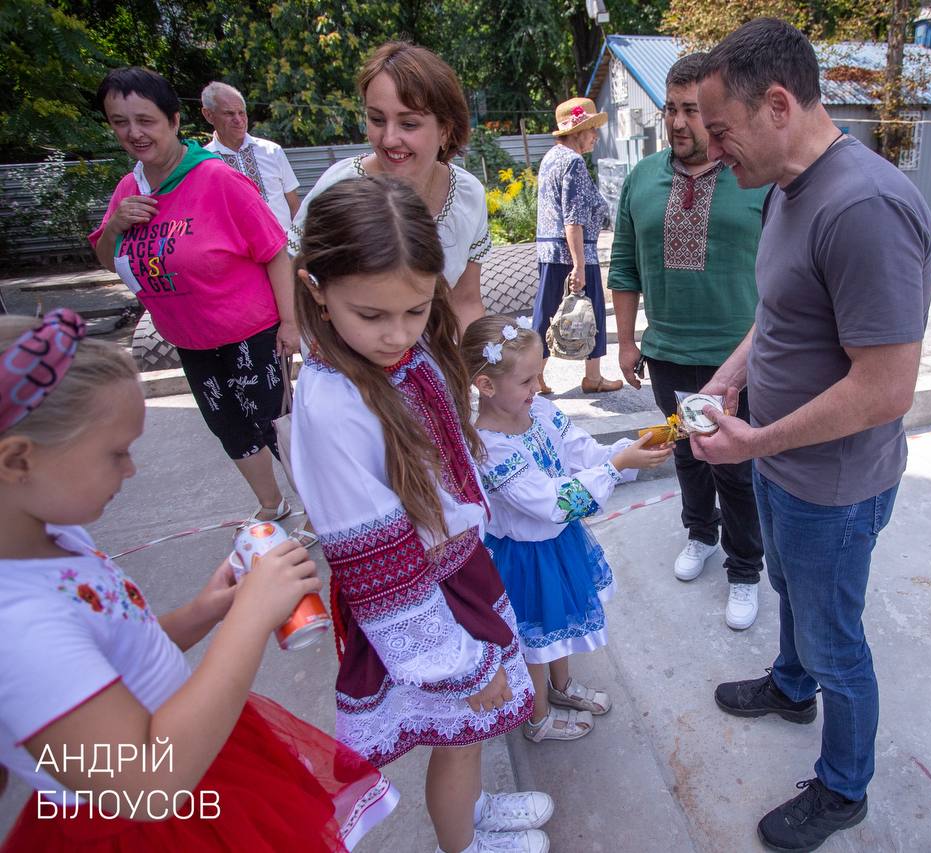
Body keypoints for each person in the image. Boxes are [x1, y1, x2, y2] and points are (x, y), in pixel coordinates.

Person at [0, 309, 396, 851]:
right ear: (18, 460)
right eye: (116, 453)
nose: (131, 470)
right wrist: (254, 618)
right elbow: (145, 783)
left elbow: (119, 657)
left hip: (197, 760)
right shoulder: (17, 627)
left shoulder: (53, 537)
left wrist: (207, 611)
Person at [690, 19, 931, 852]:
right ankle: (790, 687)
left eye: (721, 130)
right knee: (793, 591)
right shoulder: (790, 190)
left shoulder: (864, 205)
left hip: (834, 484)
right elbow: (781, 314)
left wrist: (755, 442)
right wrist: (731, 378)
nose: (714, 149)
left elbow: (885, 387)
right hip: (782, 461)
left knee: (838, 638)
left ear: (780, 106)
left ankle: (843, 786)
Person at [288, 177, 552, 853]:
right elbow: (380, 574)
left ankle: (472, 810)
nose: (397, 333)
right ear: (316, 288)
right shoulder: (331, 406)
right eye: (371, 315)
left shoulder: (409, 355)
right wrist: (461, 663)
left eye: (415, 308)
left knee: (470, 732)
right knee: (460, 731)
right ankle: (463, 843)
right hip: (418, 602)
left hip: (452, 569)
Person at [88, 67, 310, 541]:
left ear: (173, 120)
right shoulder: (130, 189)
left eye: (145, 120)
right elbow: (110, 261)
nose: (134, 133)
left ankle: (318, 507)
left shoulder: (216, 179)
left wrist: (290, 323)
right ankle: (271, 503)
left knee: (275, 424)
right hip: (189, 339)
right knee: (227, 425)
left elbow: (274, 251)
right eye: (120, 122)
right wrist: (114, 227)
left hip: (251, 332)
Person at [609, 52, 767, 630]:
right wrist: (626, 342)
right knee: (686, 453)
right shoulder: (641, 180)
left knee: (736, 463)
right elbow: (624, 265)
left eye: (692, 111)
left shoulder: (753, 178)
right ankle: (701, 534)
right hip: (668, 352)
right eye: (671, 109)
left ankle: (745, 567)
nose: (678, 123)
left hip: (741, 355)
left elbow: (783, 277)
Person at [462, 316, 671, 743]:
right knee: (536, 640)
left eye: (539, 374)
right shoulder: (490, 448)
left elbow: (583, 453)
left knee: (560, 623)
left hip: (558, 545)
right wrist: (618, 466)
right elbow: (551, 504)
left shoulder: (539, 410)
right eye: (526, 380)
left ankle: (562, 686)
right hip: (525, 559)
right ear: (485, 385)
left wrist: (626, 453)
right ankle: (537, 718)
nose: (537, 386)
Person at [290, 42, 488, 331]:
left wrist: (468, 369)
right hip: (350, 367)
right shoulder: (339, 186)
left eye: (408, 124)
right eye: (377, 119)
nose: (389, 139)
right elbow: (301, 288)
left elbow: (466, 302)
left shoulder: (467, 196)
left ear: (445, 129)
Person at [532, 97, 620, 395]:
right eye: (591, 128)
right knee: (591, 311)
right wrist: (579, 265)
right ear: (577, 131)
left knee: (545, 313)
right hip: (575, 252)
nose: (596, 135)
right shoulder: (573, 162)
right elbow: (573, 217)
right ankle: (592, 378)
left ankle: (534, 376)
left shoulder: (550, 158)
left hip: (549, 251)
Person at [202, 81, 302, 232]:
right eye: (229, 113)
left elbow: (295, 207)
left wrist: (296, 249)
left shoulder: (272, 151)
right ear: (208, 115)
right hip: (237, 253)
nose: (238, 120)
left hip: (285, 249)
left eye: (241, 112)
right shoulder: (203, 163)